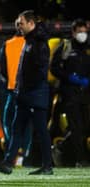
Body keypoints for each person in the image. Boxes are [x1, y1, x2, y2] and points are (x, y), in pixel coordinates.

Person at [0, 10, 53, 175]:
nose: (19, 26)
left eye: (22, 23)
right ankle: (8, 163)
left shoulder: (38, 43)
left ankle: (47, 166)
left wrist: (27, 88)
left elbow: (40, 70)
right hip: (24, 93)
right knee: (16, 128)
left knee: (41, 130)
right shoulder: (30, 41)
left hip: (34, 94)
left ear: (31, 24)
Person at [50, 18, 90, 167]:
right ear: (73, 32)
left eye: (84, 32)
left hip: (85, 94)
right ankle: (81, 160)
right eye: (79, 32)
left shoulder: (88, 48)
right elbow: (54, 68)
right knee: (76, 127)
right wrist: (68, 77)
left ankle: (61, 147)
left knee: (85, 127)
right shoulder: (65, 46)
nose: (83, 34)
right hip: (69, 93)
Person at [0, 18, 33, 166]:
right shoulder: (31, 45)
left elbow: (3, 69)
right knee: (28, 125)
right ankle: (25, 155)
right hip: (29, 90)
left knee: (8, 122)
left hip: (12, 90)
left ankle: (13, 153)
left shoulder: (7, 45)